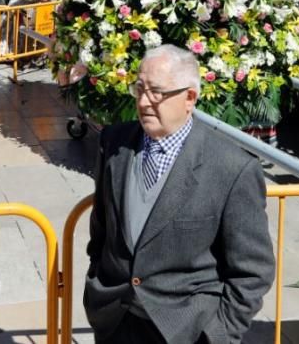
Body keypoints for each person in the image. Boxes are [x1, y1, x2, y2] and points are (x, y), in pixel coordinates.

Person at [84, 45, 274, 343]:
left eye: (157, 92)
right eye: (140, 89)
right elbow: (101, 230)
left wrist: (217, 333)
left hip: (185, 331)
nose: (144, 102)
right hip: (115, 320)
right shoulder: (113, 143)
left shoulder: (231, 168)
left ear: (189, 98)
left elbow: (253, 271)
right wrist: (98, 280)